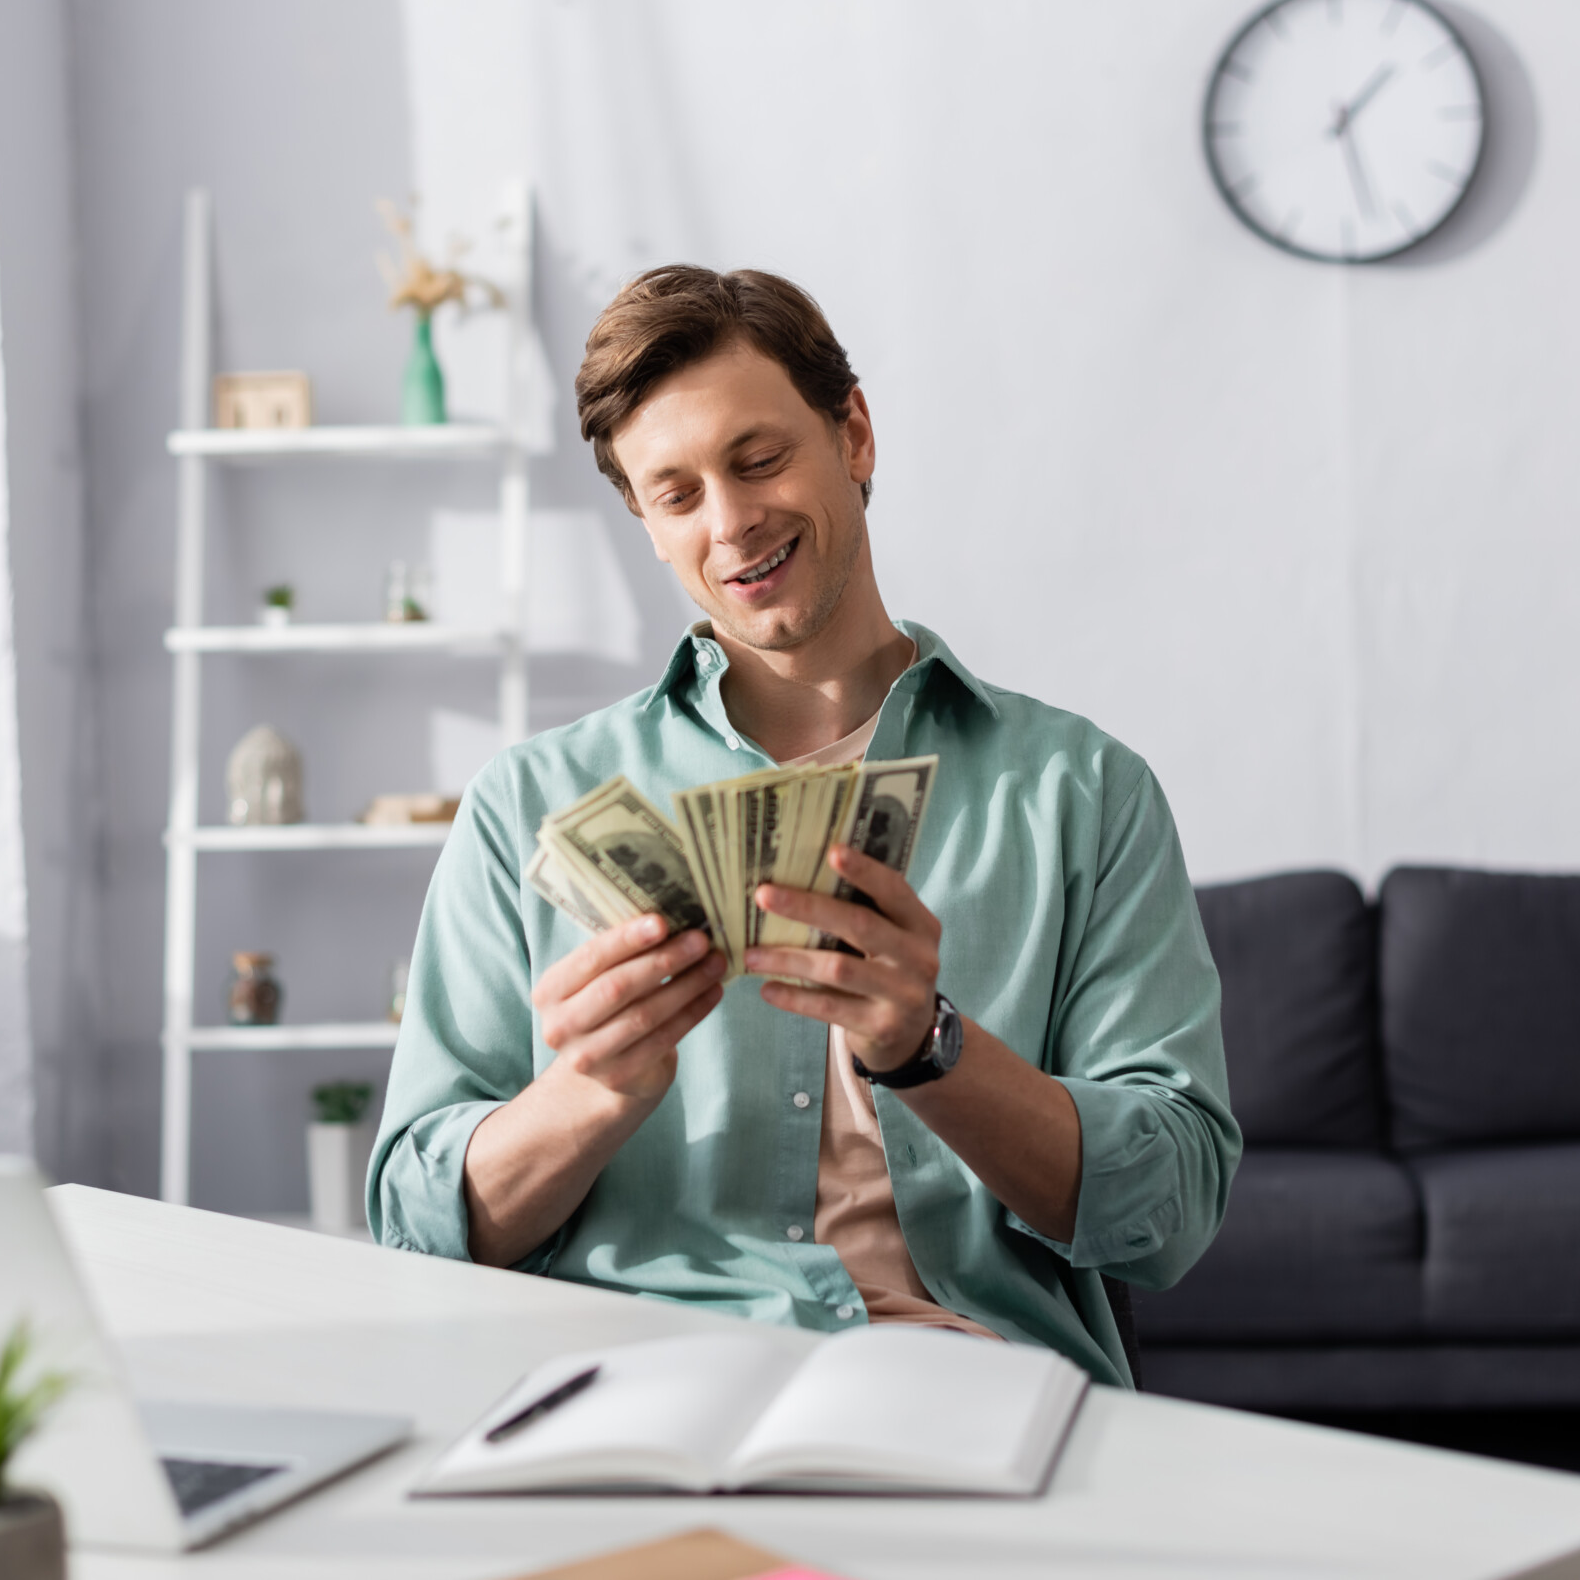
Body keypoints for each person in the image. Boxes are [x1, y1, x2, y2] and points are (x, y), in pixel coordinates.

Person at [370, 266, 1238, 1386]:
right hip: (632, 1375)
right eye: (675, 493)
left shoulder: (1079, 790)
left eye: (759, 457)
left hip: (961, 1378)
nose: (731, 523)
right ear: (645, 523)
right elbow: (414, 1224)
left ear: (855, 436)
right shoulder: (525, 805)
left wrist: (930, 1051)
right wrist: (590, 1093)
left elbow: (1169, 1215)